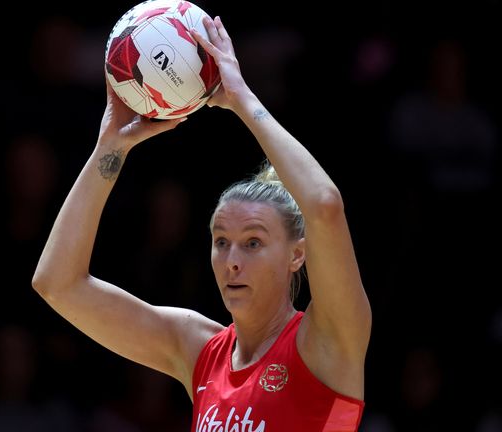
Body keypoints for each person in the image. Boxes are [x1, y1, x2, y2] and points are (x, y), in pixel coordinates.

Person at [32, 15, 371, 431]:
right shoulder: (198, 349)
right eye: (221, 241)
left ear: (297, 253)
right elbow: (56, 283)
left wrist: (241, 98)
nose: (231, 260)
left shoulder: (327, 343)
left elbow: (323, 205)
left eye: (252, 243)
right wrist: (112, 147)